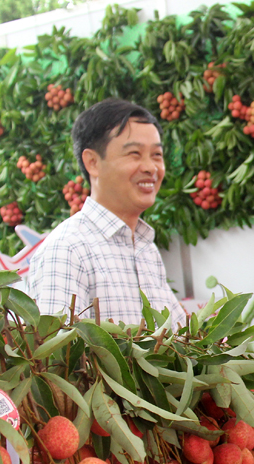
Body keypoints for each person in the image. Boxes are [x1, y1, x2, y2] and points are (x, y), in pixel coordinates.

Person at [27, 98, 187, 327]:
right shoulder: (68, 249)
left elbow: (179, 338)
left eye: (156, 155)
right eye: (134, 153)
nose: (150, 167)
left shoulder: (146, 250)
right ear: (92, 162)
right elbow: (57, 357)